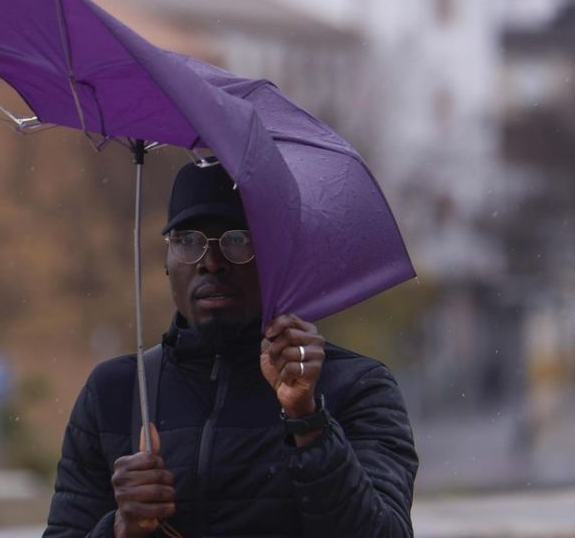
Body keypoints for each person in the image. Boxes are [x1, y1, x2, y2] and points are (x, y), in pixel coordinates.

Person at [44, 162, 418, 537]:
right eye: (188, 240)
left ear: (277, 259)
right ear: (166, 261)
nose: (210, 263)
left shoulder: (355, 387)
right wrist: (120, 528)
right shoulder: (115, 391)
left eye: (238, 240)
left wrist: (308, 422)